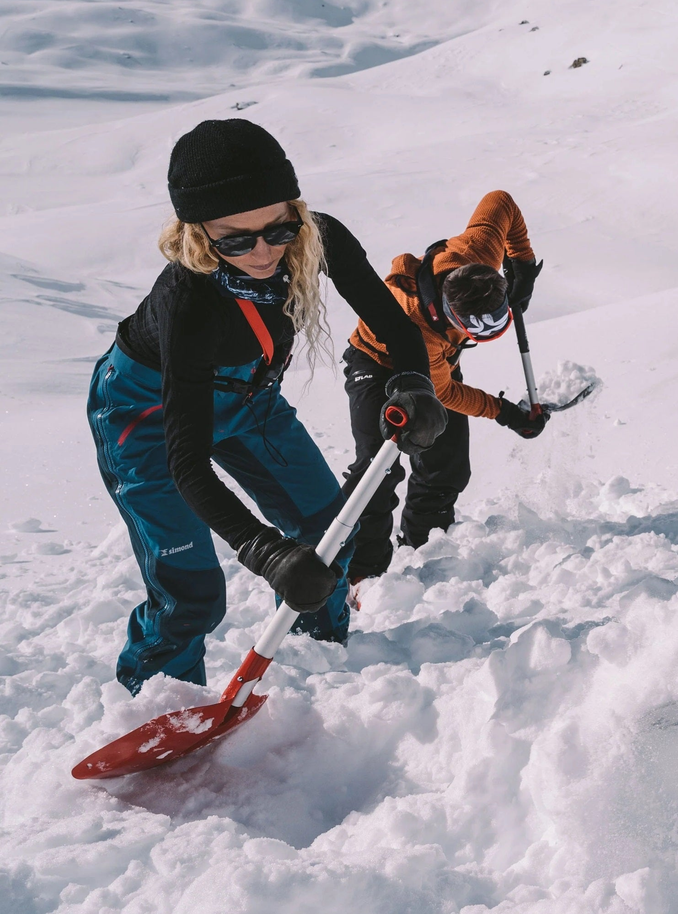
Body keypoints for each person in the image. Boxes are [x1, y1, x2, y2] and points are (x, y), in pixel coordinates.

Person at [88, 119, 445, 694]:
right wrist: (264, 552)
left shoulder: (316, 237)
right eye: (236, 239)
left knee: (327, 537)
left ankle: (319, 666)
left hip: (250, 399)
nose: (263, 252)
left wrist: (413, 383)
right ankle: (158, 705)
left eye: (278, 229)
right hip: (149, 415)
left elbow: (396, 330)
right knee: (192, 593)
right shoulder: (187, 296)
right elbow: (187, 464)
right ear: (198, 234)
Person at [342, 189, 545, 587]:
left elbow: (500, 201)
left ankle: (423, 551)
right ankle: (363, 571)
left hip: (439, 366)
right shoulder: (421, 328)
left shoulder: (478, 251)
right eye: (475, 329)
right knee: (378, 468)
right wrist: (506, 414)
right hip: (378, 363)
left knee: (447, 465)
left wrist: (521, 265)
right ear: (449, 313)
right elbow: (446, 393)